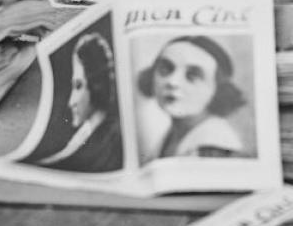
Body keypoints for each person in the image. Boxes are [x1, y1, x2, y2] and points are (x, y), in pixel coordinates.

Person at [137, 36, 248, 159]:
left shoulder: (214, 145)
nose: (172, 82)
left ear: (217, 90)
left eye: (192, 75)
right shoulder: (172, 135)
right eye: (165, 69)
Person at [33, 33, 123, 172]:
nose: (71, 102)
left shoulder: (105, 142)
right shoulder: (85, 134)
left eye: (78, 86)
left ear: (96, 85)